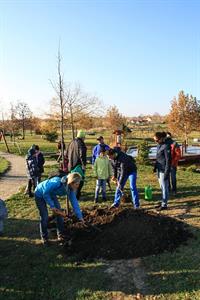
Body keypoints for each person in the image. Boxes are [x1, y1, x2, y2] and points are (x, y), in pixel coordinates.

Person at [34, 172, 84, 245]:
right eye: (76, 184)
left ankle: (60, 234)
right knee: (44, 216)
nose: (78, 186)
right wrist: (52, 206)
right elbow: (45, 193)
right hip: (40, 193)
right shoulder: (57, 182)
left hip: (52, 194)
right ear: (71, 182)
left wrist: (80, 217)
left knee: (59, 215)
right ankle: (44, 237)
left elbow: (75, 203)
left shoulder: (70, 190)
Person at [66, 130, 87, 199]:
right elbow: (82, 155)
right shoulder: (81, 144)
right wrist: (84, 165)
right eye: (84, 137)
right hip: (78, 166)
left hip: (70, 165)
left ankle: (75, 195)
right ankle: (75, 196)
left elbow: (66, 154)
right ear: (82, 137)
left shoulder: (71, 142)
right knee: (79, 182)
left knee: (73, 181)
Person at [153, 132, 171, 210]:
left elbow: (168, 161)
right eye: (155, 140)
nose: (156, 142)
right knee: (161, 186)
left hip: (164, 170)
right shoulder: (159, 145)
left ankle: (164, 205)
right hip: (159, 169)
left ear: (161, 138)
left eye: (157, 140)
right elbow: (158, 157)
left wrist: (167, 172)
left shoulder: (166, 146)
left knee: (164, 187)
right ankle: (163, 201)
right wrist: (155, 167)